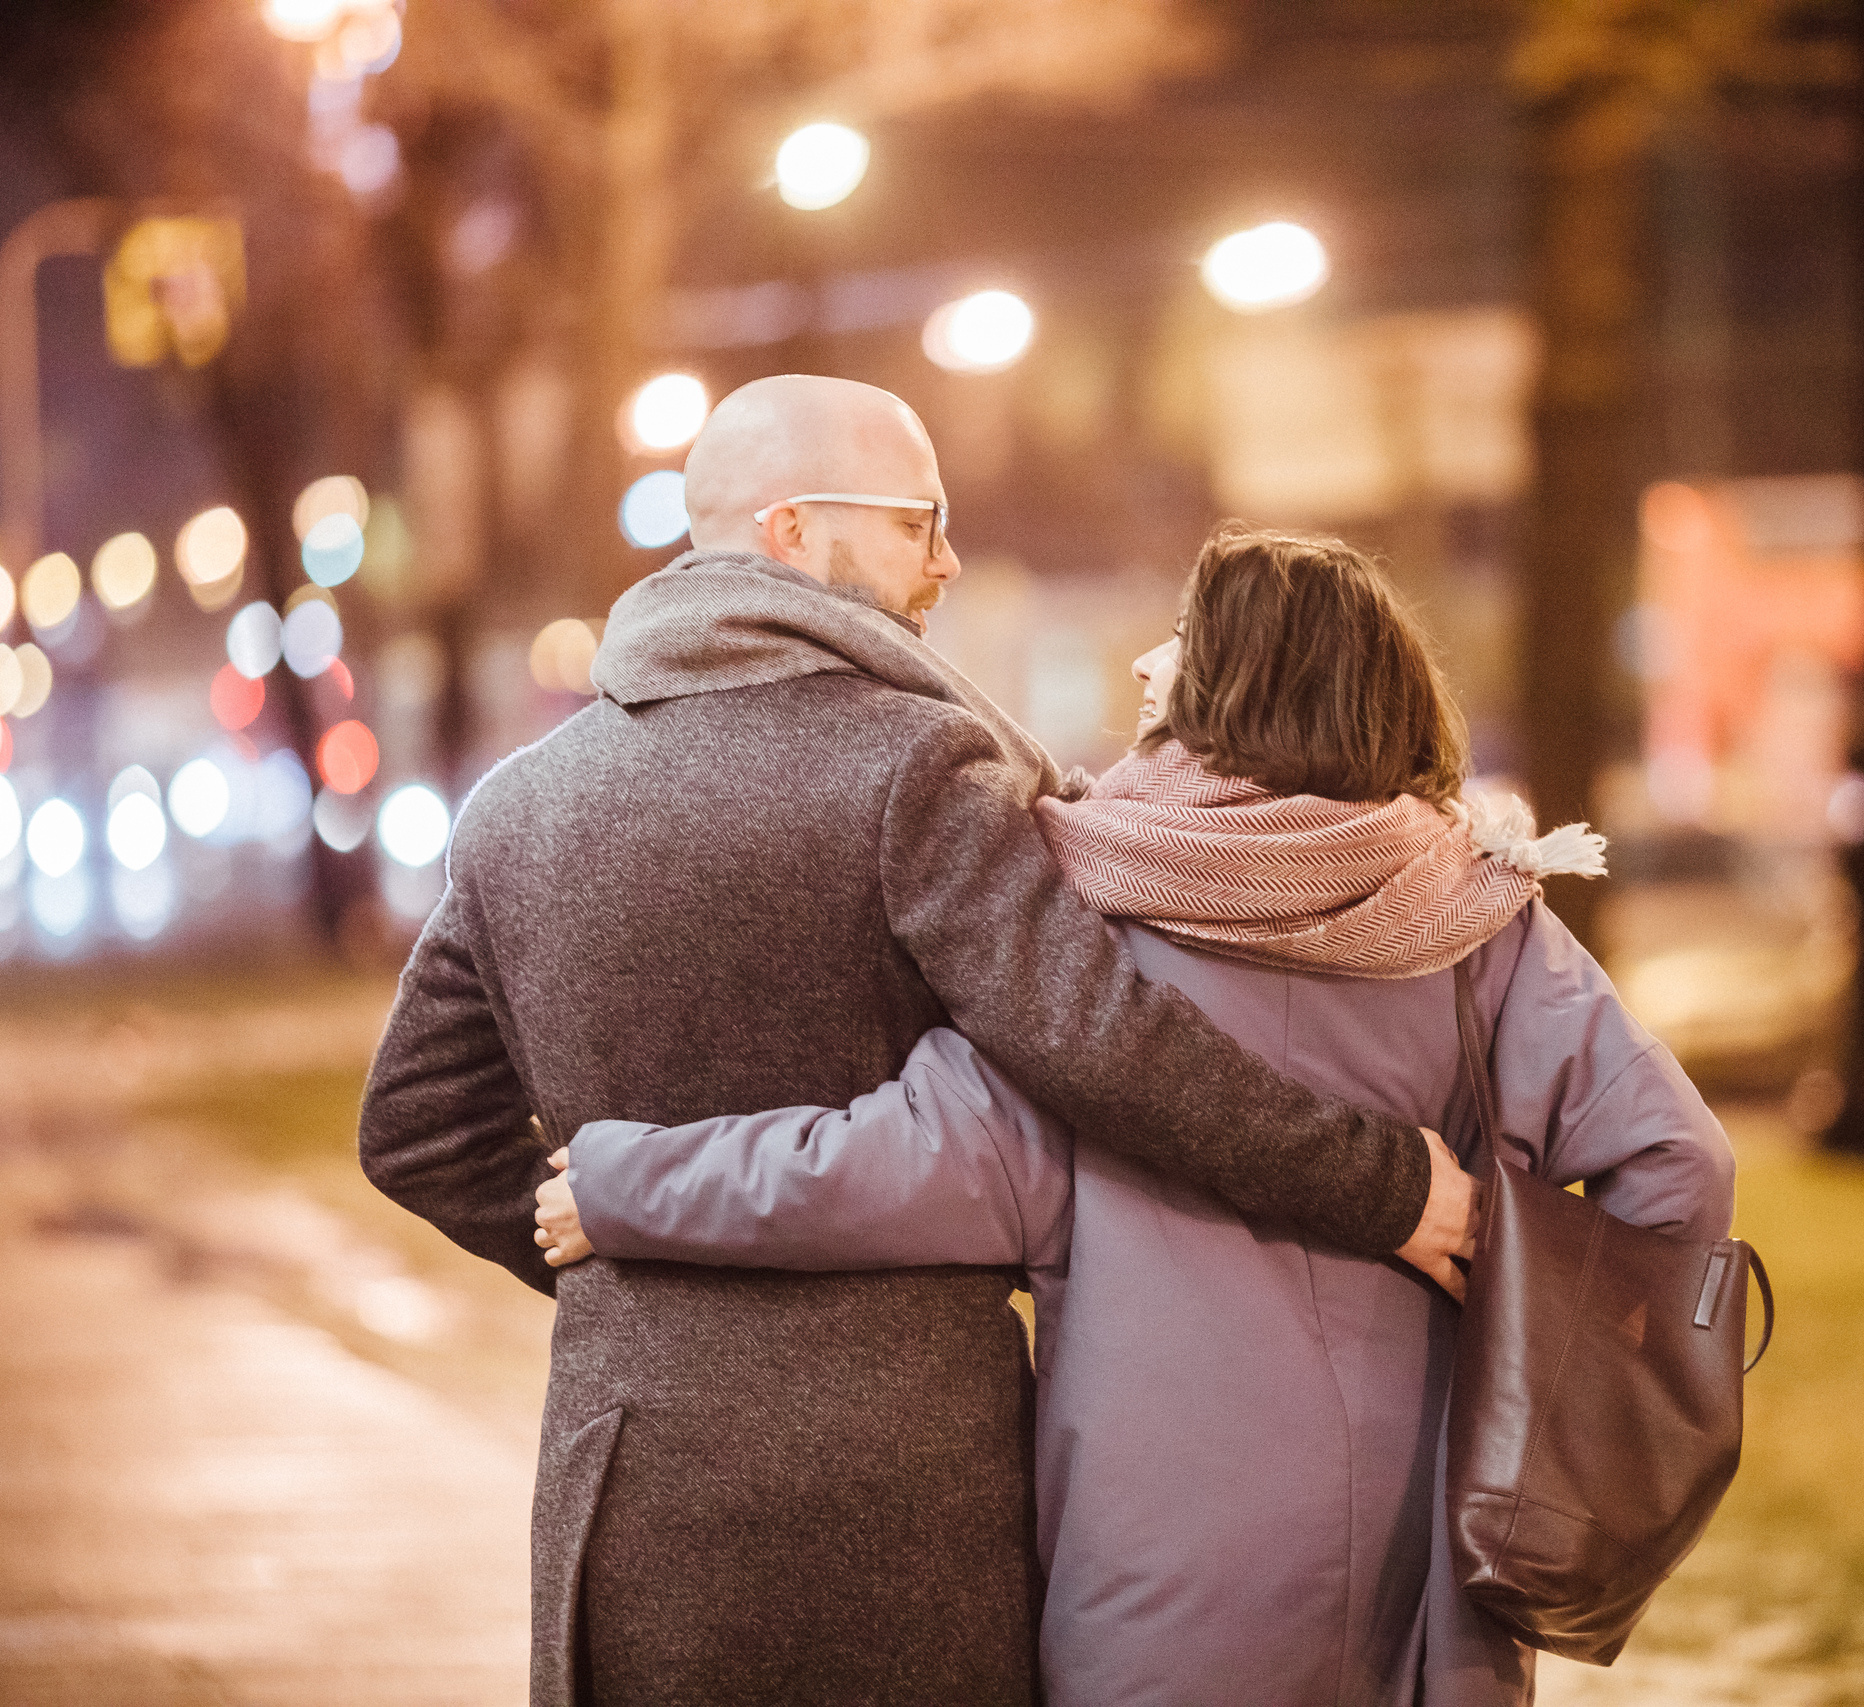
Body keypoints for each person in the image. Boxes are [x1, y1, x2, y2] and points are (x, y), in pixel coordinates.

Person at [356, 379, 1478, 1707]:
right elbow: (1105, 1043)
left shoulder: (518, 804)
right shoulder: (922, 769)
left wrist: (622, 1270)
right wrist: (1385, 1184)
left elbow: (414, 1123)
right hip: (899, 1471)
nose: (945, 560)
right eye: (916, 523)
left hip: (632, 1466)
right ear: (787, 530)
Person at [536, 524, 1739, 1706]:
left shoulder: (1091, 930)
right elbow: (1679, 1164)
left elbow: (901, 1166)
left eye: (1175, 640)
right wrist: (1535, 1313)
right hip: (1439, 1539)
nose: (1142, 668)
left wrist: (623, 1181)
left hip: (1166, 1552)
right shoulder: (1481, 918)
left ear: (1238, 683)